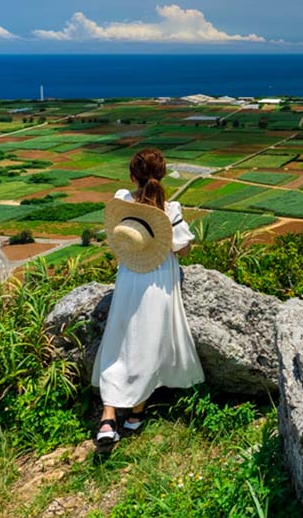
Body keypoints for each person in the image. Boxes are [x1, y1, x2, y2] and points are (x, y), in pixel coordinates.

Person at [92, 148, 204, 445]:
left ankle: (107, 417)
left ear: (132, 175)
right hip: (158, 281)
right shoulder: (171, 209)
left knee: (119, 341)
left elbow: (119, 237)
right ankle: (135, 414)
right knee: (147, 344)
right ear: (163, 174)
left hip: (129, 277)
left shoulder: (122, 200)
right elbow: (182, 248)